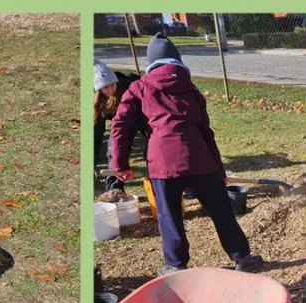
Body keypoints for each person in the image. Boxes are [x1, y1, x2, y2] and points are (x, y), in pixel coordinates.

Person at [110, 35, 263, 275]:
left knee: (169, 216)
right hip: (200, 159)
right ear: (177, 61)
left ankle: (175, 265)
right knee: (221, 210)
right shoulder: (191, 89)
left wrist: (120, 163)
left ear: (152, 62)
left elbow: (121, 125)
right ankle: (242, 257)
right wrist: (219, 172)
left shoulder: (139, 88)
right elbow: (206, 132)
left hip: (163, 164)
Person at [93, 60, 139, 168]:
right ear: (98, 90)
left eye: (112, 85)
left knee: (116, 143)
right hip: (115, 118)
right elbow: (96, 137)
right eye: (105, 87)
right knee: (98, 137)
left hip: (135, 117)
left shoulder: (128, 89)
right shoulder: (97, 102)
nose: (110, 90)